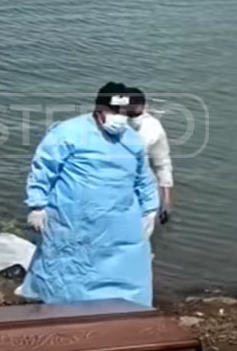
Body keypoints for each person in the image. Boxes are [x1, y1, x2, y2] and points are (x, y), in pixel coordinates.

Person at [21, 82, 160, 307]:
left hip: (120, 224)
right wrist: (37, 205)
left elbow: (143, 177)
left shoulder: (131, 139)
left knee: (127, 271)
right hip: (75, 220)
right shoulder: (68, 133)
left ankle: (125, 312)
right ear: (99, 110)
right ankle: (63, 312)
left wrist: (150, 209)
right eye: (114, 111)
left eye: (123, 113)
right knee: (70, 274)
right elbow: (43, 169)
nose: (119, 117)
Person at [126, 87, 174, 225]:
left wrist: (166, 202)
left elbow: (163, 165)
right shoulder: (111, 122)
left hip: (140, 194)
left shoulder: (152, 128)